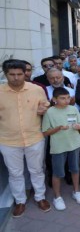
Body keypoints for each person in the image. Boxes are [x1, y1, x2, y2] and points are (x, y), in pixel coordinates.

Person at [0, 59, 51, 218]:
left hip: (34, 137)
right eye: (12, 74)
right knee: (15, 173)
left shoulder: (36, 89)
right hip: (8, 140)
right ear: (6, 74)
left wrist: (45, 108)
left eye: (19, 74)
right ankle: (20, 201)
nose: (16, 77)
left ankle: (40, 197)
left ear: (25, 73)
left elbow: (45, 104)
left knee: (36, 170)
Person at [42, 87, 80, 211]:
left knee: (75, 169)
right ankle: (57, 197)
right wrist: (58, 128)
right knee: (57, 173)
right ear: (54, 99)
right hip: (58, 147)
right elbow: (45, 132)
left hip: (75, 144)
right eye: (62, 98)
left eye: (68, 98)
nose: (66, 100)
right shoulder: (50, 112)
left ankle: (76, 191)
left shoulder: (73, 108)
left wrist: (78, 126)